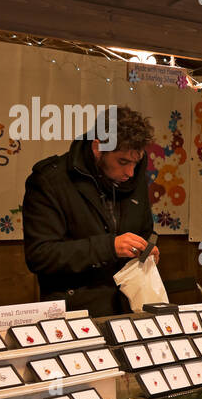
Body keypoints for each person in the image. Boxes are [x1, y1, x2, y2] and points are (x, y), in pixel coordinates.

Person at [22, 107, 159, 317]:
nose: (130, 172)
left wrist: (146, 249)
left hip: (129, 307)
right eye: (122, 162)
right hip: (75, 314)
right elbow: (40, 255)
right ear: (98, 147)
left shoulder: (133, 175)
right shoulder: (50, 181)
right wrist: (109, 246)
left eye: (136, 162)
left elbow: (145, 230)